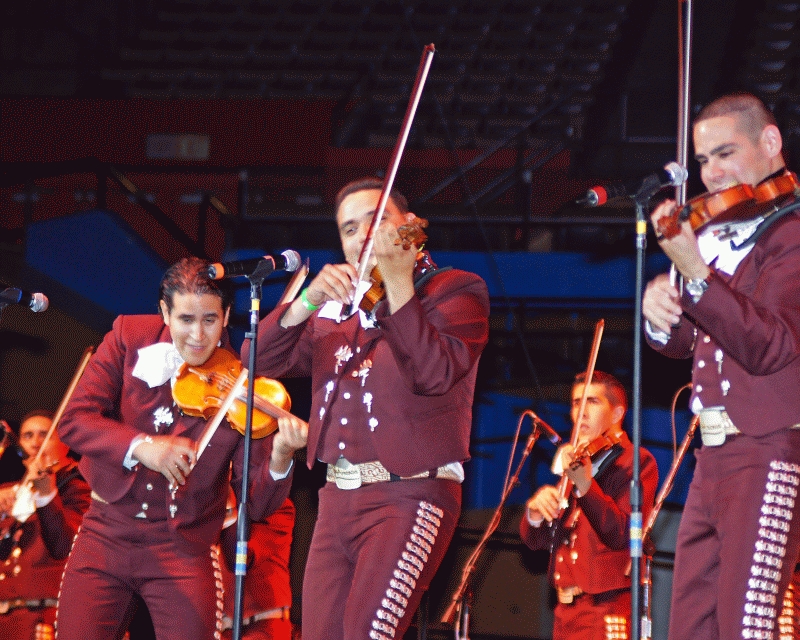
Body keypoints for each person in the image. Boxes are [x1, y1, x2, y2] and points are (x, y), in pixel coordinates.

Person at [246, 178, 490, 640]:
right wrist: (307, 300)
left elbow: (433, 373)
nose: (362, 237)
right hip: (336, 498)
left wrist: (398, 283)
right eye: (349, 229)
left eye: (376, 222)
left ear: (411, 227)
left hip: (411, 495)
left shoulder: (455, 289)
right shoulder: (337, 309)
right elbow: (257, 360)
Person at [55, 257, 308, 640]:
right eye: (185, 320)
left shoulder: (244, 380)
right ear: (164, 312)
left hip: (184, 546)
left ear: (226, 316)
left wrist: (281, 457)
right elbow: (74, 419)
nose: (197, 336)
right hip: (106, 533)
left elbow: (258, 505)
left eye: (210, 320)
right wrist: (142, 446)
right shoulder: (129, 335)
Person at [642, 92, 800, 640]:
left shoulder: (792, 231)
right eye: (703, 160)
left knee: (747, 625)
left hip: (769, 446)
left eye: (725, 154)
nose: (711, 175)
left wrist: (699, 277)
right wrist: (660, 312)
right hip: (710, 457)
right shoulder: (716, 233)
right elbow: (688, 342)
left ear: (771, 143)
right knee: (690, 623)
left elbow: (771, 346)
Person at [520, 371, 658, 640]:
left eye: (592, 402)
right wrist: (536, 514)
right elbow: (539, 542)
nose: (580, 411)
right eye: (575, 403)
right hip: (564, 610)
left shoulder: (636, 461)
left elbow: (621, 533)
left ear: (617, 413)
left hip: (604, 607)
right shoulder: (578, 459)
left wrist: (585, 485)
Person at [0, 410, 90, 640]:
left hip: (47, 619)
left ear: (65, 443)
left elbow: (64, 545)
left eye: (44, 435)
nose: (35, 442)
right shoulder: (10, 491)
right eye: (27, 436)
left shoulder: (76, 486)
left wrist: (46, 493)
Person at [219, 495, 295, 640]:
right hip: (224, 629)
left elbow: (241, 559)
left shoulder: (278, 507)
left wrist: (229, 503)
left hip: (263, 627)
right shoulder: (214, 511)